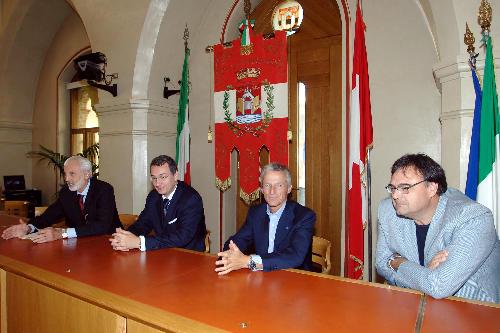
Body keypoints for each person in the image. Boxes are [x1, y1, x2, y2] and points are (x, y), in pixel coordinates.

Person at [376, 153, 499, 303]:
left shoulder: (473, 218)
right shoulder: (388, 210)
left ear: (432, 188)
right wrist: (425, 273)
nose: (395, 195)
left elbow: (438, 285)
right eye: (393, 188)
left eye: (405, 188)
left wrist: (396, 262)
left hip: (474, 311)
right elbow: (381, 263)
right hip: (417, 305)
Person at [215, 163, 316, 275]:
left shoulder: (304, 216)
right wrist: (231, 254)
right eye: (267, 185)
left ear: (289, 189)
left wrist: (248, 261)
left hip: (294, 278)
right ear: (262, 189)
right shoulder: (256, 213)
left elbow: (295, 256)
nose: (272, 191)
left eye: (279, 185)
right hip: (262, 276)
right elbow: (237, 240)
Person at [1, 155, 121, 243]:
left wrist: (62, 233)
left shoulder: (104, 190)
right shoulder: (66, 192)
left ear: (87, 174)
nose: (67, 179)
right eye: (65, 174)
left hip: (108, 242)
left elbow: (101, 226)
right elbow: (49, 216)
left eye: (72, 174)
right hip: (81, 243)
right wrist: (29, 227)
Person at [109, 155, 206, 252]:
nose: (157, 183)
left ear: (175, 175)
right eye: (154, 178)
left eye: (163, 177)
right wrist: (124, 237)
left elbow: (182, 237)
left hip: (188, 256)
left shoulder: (191, 199)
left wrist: (139, 242)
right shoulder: (153, 197)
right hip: (162, 252)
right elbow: (143, 224)